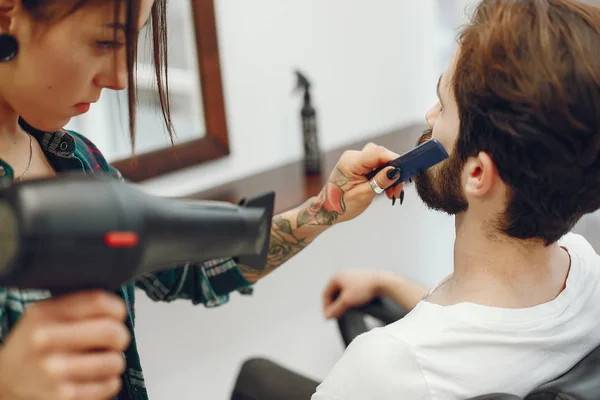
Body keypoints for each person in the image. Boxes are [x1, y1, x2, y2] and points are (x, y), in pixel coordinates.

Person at [0, 1, 405, 399]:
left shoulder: (78, 162)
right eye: (105, 43)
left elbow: (192, 269)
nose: (120, 78)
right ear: (7, 13)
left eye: (130, 46)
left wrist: (326, 208)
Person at [310, 0, 600, 398]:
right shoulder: (586, 271)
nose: (430, 116)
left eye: (443, 105)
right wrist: (388, 283)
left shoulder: (382, 369)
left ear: (477, 174)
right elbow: (491, 340)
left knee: (255, 377)